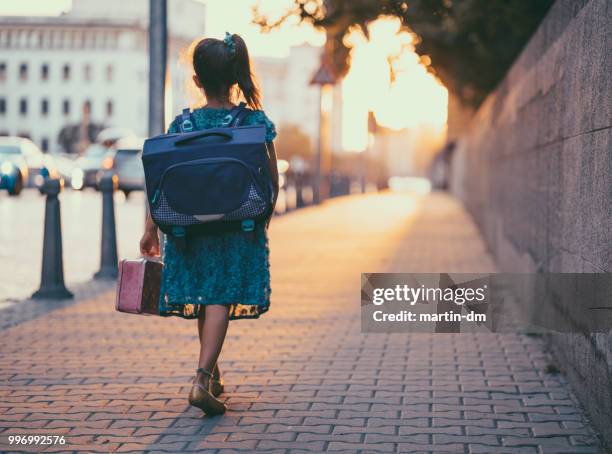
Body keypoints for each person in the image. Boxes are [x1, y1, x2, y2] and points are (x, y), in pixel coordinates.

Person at [139, 32, 279, 415]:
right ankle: (201, 378)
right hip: (237, 226)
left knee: (205, 297)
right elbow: (270, 180)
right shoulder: (253, 122)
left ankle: (212, 373)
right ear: (234, 77)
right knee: (219, 296)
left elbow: (158, 183)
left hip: (188, 228)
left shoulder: (182, 125)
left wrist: (150, 229)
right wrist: (262, 220)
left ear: (197, 80)